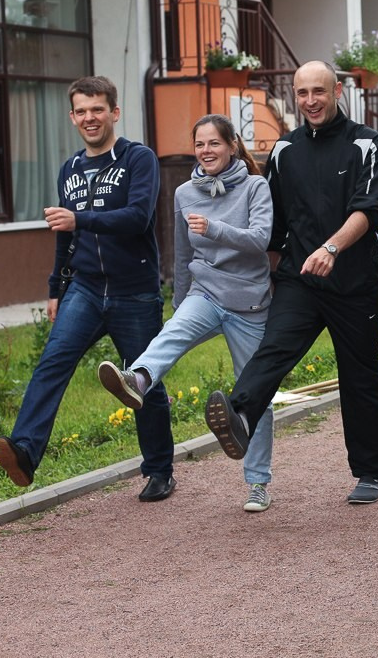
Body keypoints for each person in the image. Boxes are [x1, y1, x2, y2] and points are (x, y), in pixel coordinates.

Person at [202, 60, 378, 504]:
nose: (310, 101)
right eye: (302, 93)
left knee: (359, 375)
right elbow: (272, 223)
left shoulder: (367, 144)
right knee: (275, 348)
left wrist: (332, 249)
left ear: (337, 91)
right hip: (300, 279)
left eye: (318, 92)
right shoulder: (285, 150)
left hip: (354, 282)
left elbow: (370, 209)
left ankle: (369, 472)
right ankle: (241, 417)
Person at [0, 76, 176, 502]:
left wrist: (81, 220)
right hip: (86, 289)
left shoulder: (138, 159)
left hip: (135, 290)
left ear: (114, 112)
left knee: (143, 381)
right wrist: (55, 286)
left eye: (98, 109)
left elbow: (137, 218)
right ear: (72, 117)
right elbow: (64, 232)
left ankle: (159, 470)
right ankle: (24, 452)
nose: (90, 117)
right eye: (81, 111)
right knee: (53, 361)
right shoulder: (70, 169)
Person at [96, 114, 278, 512]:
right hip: (206, 292)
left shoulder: (254, 186)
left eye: (214, 143)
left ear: (232, 146)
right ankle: (138, 379)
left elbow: (260, 240)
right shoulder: (183, 194)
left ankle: (257, 483)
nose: (206, 151)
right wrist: (180, 304)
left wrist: (214, 228)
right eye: (199, 144)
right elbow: (182, 255)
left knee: (254, 393)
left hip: (249, 302)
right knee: (169, 335)